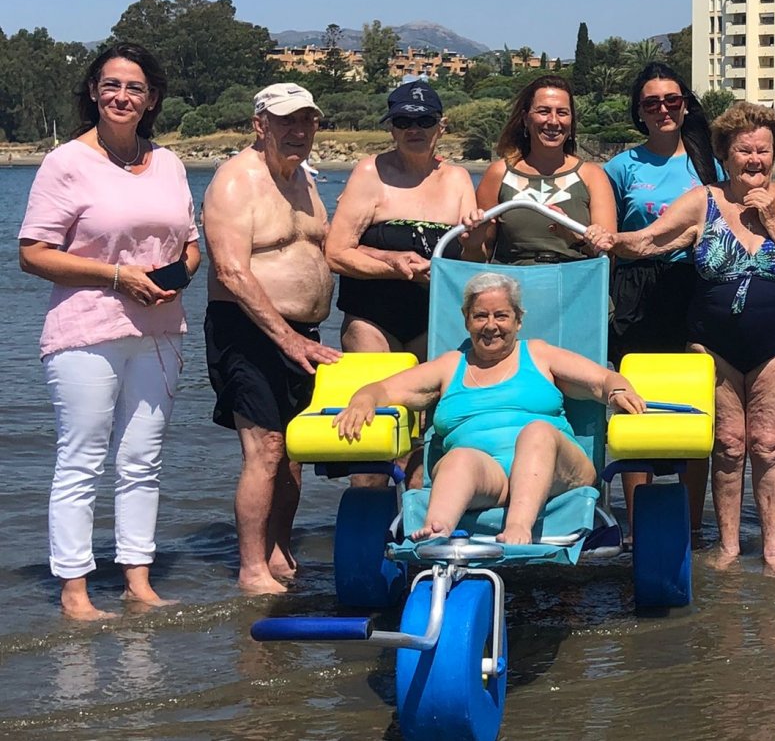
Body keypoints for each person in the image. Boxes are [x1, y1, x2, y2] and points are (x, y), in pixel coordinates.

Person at [585, 102, 775, 576]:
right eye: (744, 151)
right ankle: (730, 546)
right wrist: (611, 240)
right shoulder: (704, 200)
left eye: (764, 150)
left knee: (769, 445)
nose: (755, 160)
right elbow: (651, 240)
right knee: (729, 444)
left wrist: (771, 222)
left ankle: (773, 552)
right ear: (725, 154)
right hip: (711, 343)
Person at [18, 43, 199, 620]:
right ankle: (75, 592)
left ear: (151, 100)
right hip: (86, 329)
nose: (123, 96)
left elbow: (190, 245)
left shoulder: (169, 162)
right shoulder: (65, 161)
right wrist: (116, 275)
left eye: (136, 88)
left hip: (161, 328)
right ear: (95, 92)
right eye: (112, 85)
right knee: (82, 458)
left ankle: (138, 581)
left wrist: (180, 276)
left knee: (142, 459)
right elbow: (32, 253)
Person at [334, 274, 641, 543]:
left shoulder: (538, 354)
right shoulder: (450, 365)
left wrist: (617, 391)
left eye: (501, 316)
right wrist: (364, 399)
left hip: (556, 470)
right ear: (466, 319)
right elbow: (385, 388)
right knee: (458, 458)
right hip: (485, 477)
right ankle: (436, 531)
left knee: (536, 432)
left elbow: (602, 380)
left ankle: (519, 526)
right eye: (480, 316)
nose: (491, 325)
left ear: (518, 320)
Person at [202, 83, 342, 595]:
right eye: (287, 121)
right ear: (260, 124)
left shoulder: (303, 180)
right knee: (264, 448)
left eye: (307, 121)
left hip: (302, 334)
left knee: (295, 450)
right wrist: (286, 339)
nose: (299, 131)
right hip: (250, 329)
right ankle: (251, 568)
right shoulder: (236, 182)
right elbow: (233, 272)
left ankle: (279, 549)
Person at [325, 82, 478, 487]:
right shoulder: (369, 172)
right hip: (373, 320)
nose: (415, 129)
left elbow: (474, 255)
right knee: (373, 434)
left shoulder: (459, 178)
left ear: (441, 127)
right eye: (404, 121)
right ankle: (367, 529)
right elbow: (336, 252)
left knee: (428, 437)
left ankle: (417, 530)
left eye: (424, 120)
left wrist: (485, 230)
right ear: (391, 128)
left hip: (434, 320)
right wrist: (394, 264)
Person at [603, 62, 720, 540]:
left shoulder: (707, 161)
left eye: (672, 100)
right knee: (638, 408)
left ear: (685, 104)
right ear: (640, 112)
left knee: (695, 405)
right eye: (652, 103)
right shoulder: (621, 167)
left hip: (698, 286)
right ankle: (639, 529)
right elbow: (607, 240)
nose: (663, 110)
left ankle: (691, 526)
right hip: (637, 292)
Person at [474, 75, 615, 264]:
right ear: (525, 119)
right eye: (544, 111)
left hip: (574, 285)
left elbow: (609, 256)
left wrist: (575, 236)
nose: (553, 121)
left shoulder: (592, 175)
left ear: (572, 121)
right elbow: (480, 255)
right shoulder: (499, 174)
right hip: (513, 287)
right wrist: (470, 246)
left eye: (562, 113)